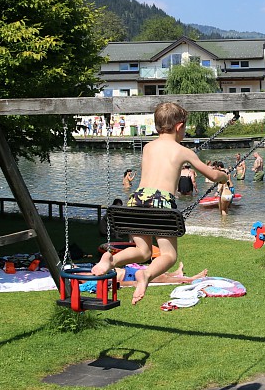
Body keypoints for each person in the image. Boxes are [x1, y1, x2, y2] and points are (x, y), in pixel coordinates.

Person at [91, 101, 228, 304]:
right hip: (160, 202)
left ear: (157, 126)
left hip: (136, 200)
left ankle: (110, 259)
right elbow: (212, 175)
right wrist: (223, 177)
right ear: (179, 126)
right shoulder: (183, 151)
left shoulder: (148, 147)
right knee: (169, 255)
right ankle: (145, 275)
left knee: (143, 251)